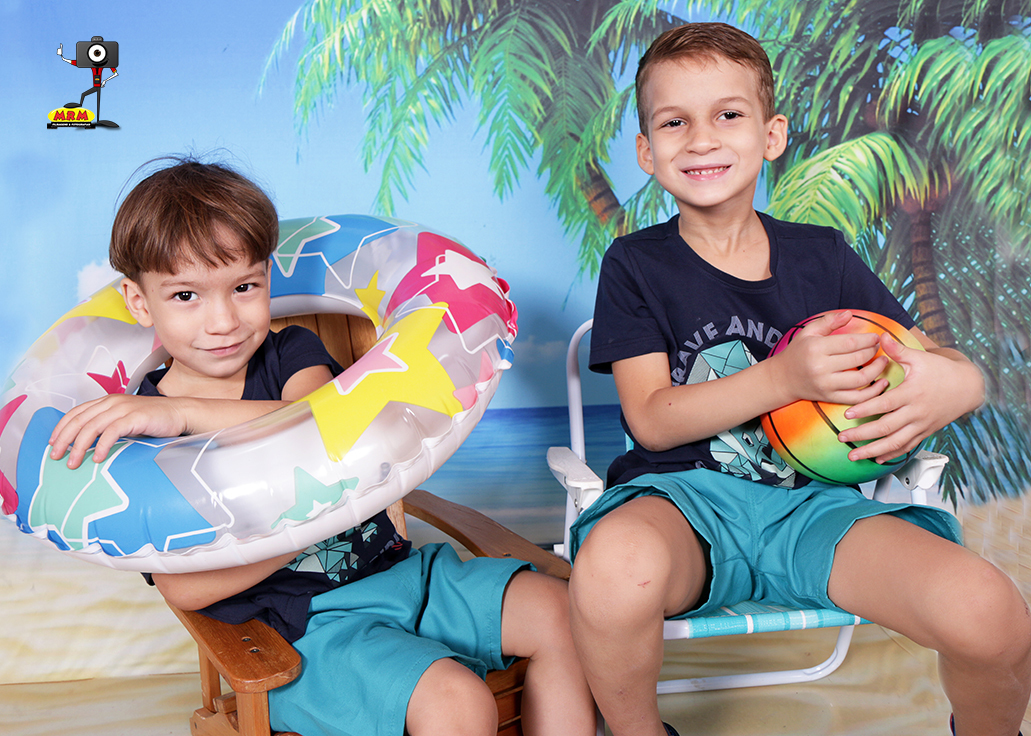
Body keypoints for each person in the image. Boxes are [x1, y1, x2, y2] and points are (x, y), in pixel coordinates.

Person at [566, 22, 1031, 736]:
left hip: (819, 509)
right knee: (612, 569)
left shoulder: (823, 256)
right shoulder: (634, 264)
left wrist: (960, 385)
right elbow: (651, 420)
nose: (701, 139)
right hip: (681, 505)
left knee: (990, 614)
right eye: (674, 121)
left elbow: (935, 359)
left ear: (772, 135)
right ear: (646, 151)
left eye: (728, 114)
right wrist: (784, 377)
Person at [48, 157, 595, 736]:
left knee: (565, 614)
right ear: (139, 302)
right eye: (186, 295)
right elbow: (186, 585)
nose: (222, 320)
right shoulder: (134, 433)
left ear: (267, 277)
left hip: (401, 573)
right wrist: (311, 523)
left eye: (243, 287)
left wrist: (183, 412)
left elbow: (318, 422)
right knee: (458, 703)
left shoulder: (292, 354)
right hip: (303, 633)